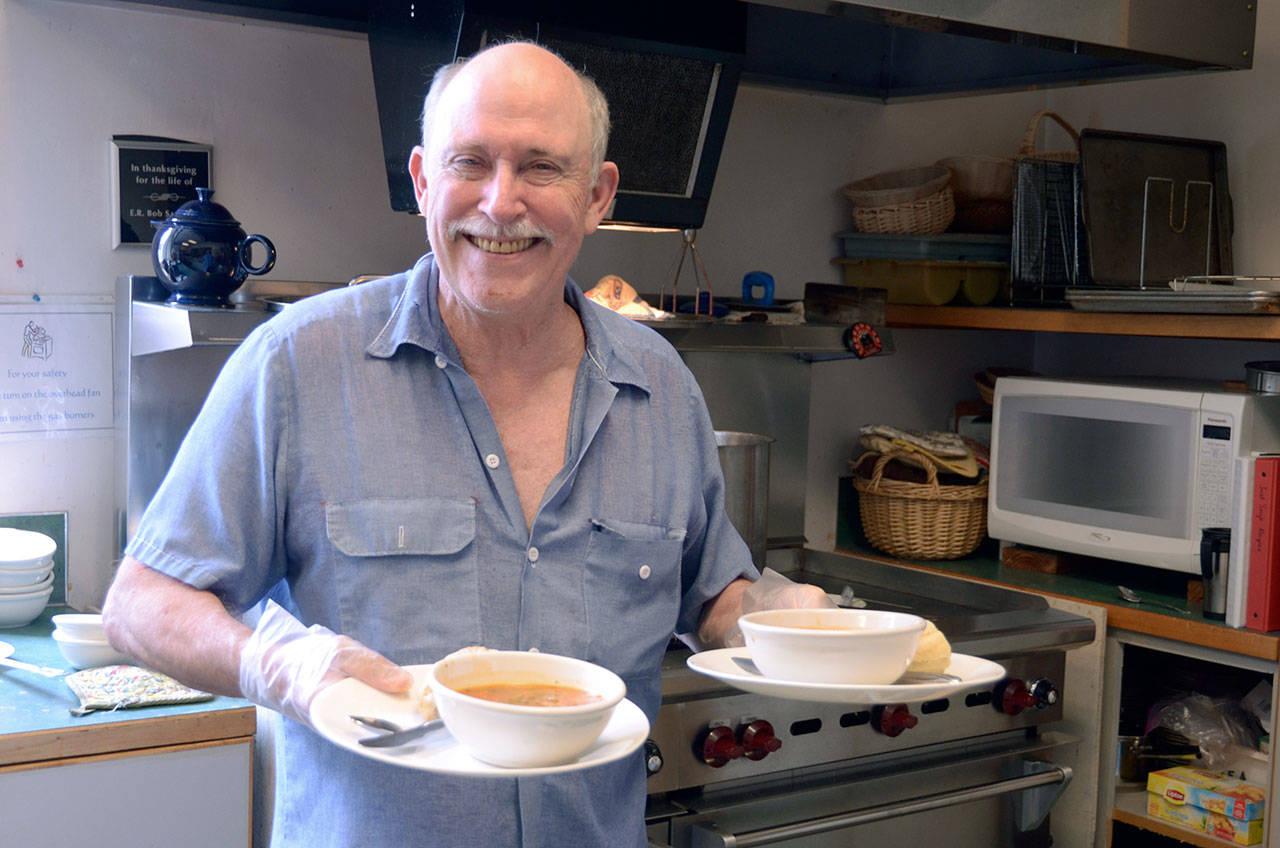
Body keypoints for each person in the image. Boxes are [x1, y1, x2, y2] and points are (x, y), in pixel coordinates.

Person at [102, 41, 829, 847]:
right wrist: (281, 665)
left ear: (597, 195)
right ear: (422, 182)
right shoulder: (298, 364)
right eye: (470, 162)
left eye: (541, 168)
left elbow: (711, 597)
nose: (500, 202)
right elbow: (141, 603)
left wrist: (779, 616)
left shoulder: (660, 387)